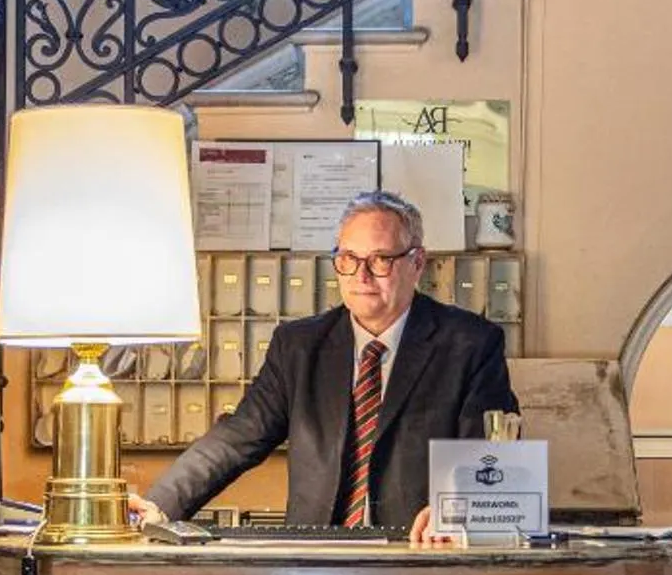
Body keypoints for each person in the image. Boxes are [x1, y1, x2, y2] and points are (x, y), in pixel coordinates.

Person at [138, 191, 518, 537]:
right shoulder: (299, 346)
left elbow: (489, 450)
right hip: (314, 555)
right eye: (348, 259)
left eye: (381, 260)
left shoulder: (471, 344)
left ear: (417, 262)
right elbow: (237, 437)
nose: (361, 276)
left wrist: (457, 511)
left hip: (415, 554)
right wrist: (159, 505)